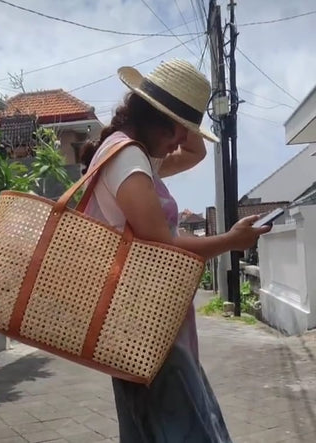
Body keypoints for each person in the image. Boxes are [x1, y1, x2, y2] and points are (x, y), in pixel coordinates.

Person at [80, 59, 270, 443]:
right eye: (178, 132)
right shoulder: (128, 158)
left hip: (136, 321)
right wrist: (231, 242)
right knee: (181, 429)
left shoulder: (129, 154)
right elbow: (160, 246)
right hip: (144, 321)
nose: (181, 142)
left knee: (149, 428)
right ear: (158, 120)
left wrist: (184, 117)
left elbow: (195, 154)